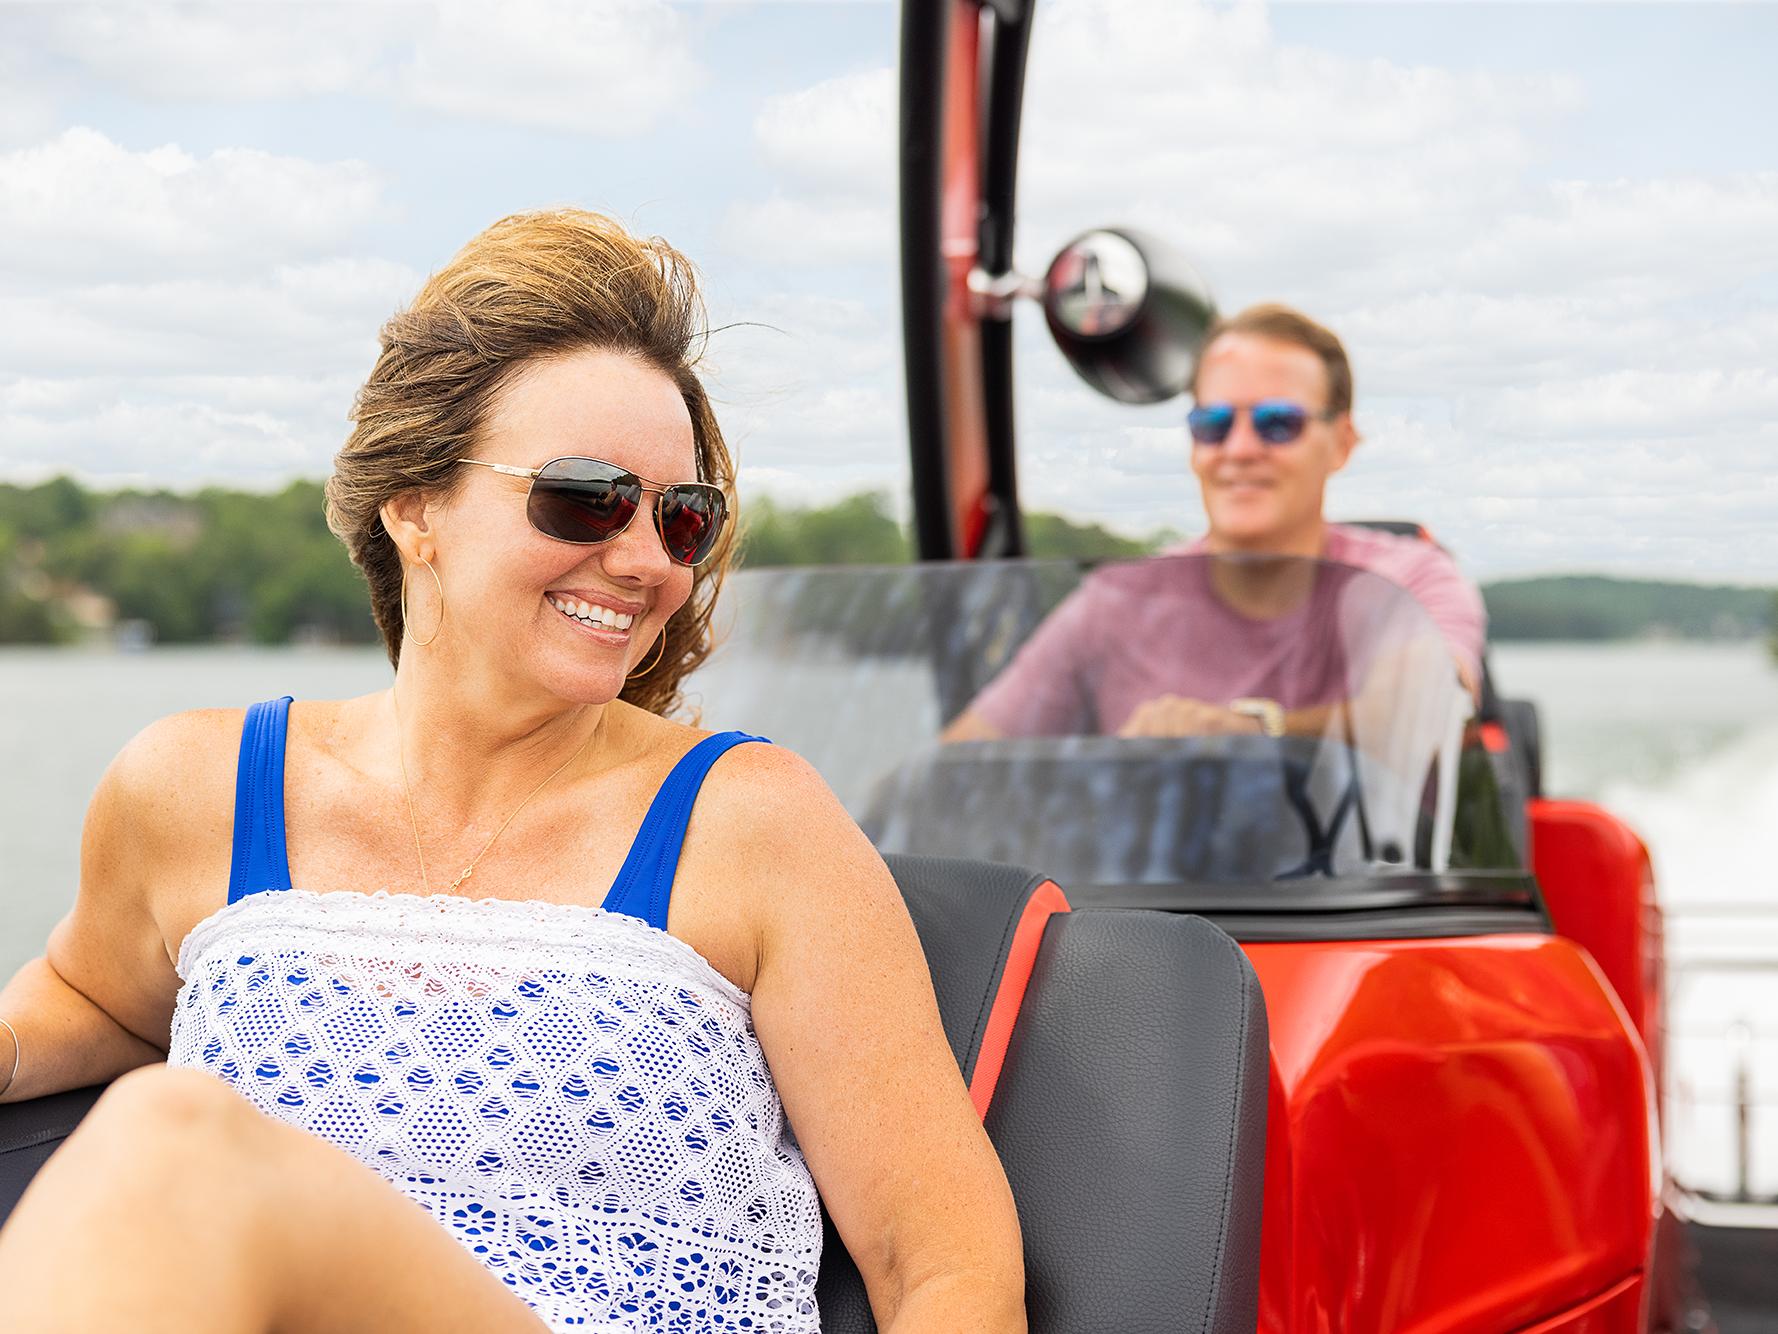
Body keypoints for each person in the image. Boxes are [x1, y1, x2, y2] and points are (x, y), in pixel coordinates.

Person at [0, 210, 1025, 1333]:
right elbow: (94, 994)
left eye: (682, 519)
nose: (641, 560)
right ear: (414, 504)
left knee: (169, 1141)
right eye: (583, 496)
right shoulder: (195, 787)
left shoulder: (752, 824)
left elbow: (946, 1271)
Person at [943, 302, 1486, 741]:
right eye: (1214, 423)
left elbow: (1432, 708)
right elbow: (962, 758)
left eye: (1278, 423)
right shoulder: (1116, 602)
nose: (1240, 449)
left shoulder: (1413, 579)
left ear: (1341, 442)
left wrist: (1249, 730)